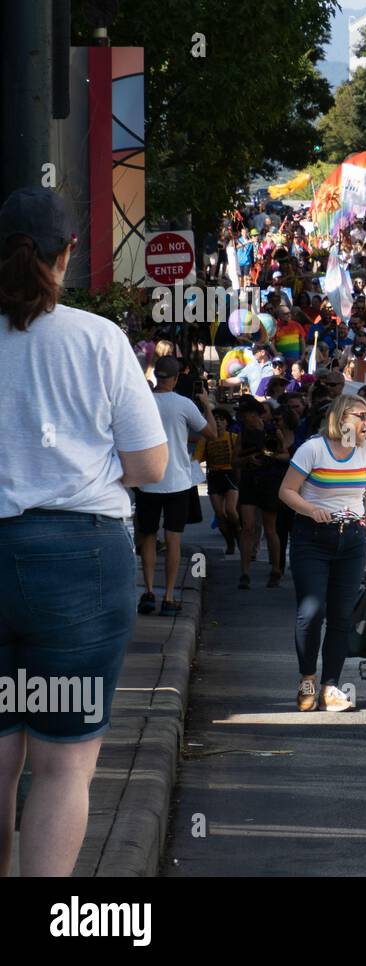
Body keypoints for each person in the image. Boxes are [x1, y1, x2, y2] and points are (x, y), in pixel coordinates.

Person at [0, 185, 168, 876]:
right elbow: (151, 464)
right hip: (79, 564)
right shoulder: (98, 339)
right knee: (63, 765)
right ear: (68, 253)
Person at [278, 395, 366, 712]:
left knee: (341, 616)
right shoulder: (313, 449)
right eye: (361, 416)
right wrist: (311, 509)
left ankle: (329, 687)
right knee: (311, 612)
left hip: (352, 540)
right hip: (313, 538)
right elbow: (287, 491)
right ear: (341, 417)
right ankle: (307, 678)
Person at [135, 356, 217, 616]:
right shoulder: (183, 404)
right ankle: (169, 596)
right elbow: (212, 434)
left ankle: (147, 592)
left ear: (156, 376)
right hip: (178, 482)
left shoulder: (142, 402)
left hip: (148, 480)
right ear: (177, 377)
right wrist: (207, 405)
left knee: (147, 537)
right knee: (174, 541)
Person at [233, 397, 289, 589]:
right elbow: (235, 460)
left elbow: (285, 455)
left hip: (269, 481)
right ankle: (244, 572)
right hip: (250, 481)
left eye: (245, 413)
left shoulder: (273, 432)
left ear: (255, 415)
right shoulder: (243, 433)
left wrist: (271, 456)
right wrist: (249, 458)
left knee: (270, 528)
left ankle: (275, 570)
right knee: (247, 526)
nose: (242, 417)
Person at [197, 408, 241, 554]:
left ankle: (239, 533)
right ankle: (230, 542)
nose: (218, 422)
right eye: (215, 419)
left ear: (227, 422)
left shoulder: (233, 437)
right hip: (214, 476)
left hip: (230, 475)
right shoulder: (206, 440)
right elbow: (196, 459)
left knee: (230, 510)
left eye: (221, 419)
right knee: (220, 514)